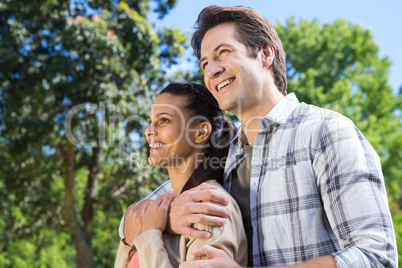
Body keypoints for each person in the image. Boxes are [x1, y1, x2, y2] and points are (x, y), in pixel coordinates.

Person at [119, 6, 397, 268]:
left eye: (223, 52)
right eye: (204, 63)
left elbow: (375, 257)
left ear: (265, 54)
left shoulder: (325, 131)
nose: (211, 70)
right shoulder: (225, 152)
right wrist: (170, 215)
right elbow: (131, 221)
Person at [114, 82, 248, 268]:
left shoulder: (209, 209)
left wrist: (150, 234)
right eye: (150, 122)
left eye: (164, 121)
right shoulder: (159, 208)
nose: (149, 131)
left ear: (201, 132)